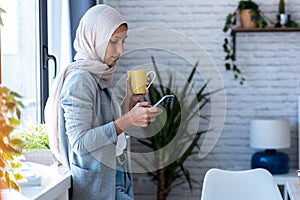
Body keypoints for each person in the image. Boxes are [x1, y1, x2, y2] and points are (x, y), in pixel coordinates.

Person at [44, 4, 161, 200]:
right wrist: (129, 119)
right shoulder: (80, 80)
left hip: (115, 177)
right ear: (94, 39)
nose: (121, 50)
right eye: (114, 41)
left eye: (123, 41)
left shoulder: (97, 73)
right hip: (100, 187)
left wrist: (128, 100)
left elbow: (106, 125)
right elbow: (80, 143)